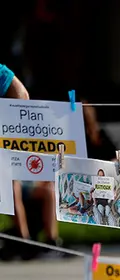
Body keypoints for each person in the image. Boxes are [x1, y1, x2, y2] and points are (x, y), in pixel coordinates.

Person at [0, 63, 65, 262]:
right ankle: (23, 239)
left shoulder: (31, 131)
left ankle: (45, 242)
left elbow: (22, 97)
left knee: (41, 188)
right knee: (10, 185)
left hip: (23, 176)